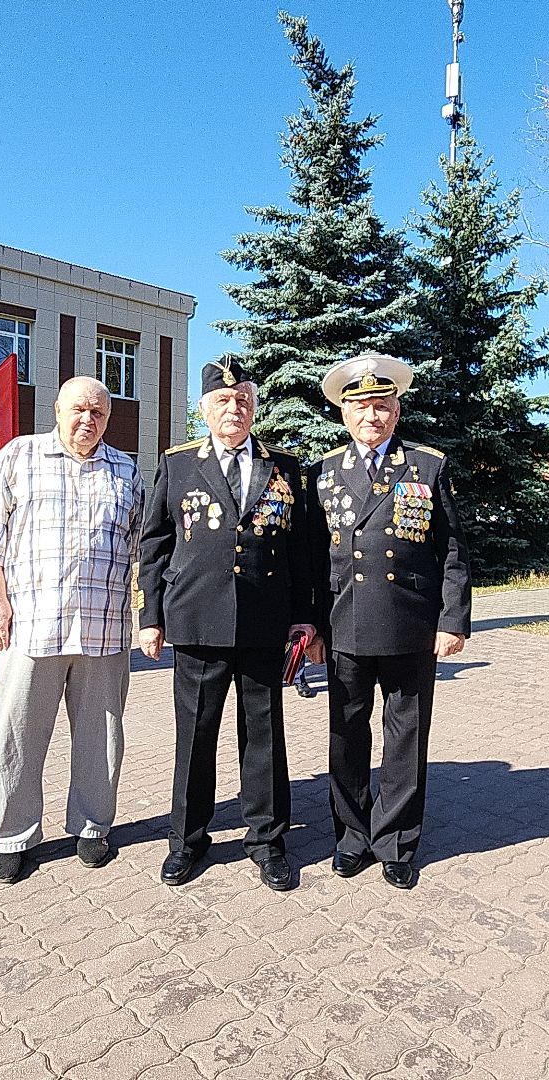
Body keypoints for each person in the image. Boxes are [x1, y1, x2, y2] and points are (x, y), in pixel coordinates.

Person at [0, 377, 143, 884]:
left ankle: (93, 826)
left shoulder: (127, 471)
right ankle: (14, 836)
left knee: (103, 738)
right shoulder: (19, 457)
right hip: (29, 628)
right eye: (79, 409)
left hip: (104, 629)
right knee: (17, 735)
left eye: (99, 412)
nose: (89, 420)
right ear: (57, 410)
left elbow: (147, 550)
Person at [137, 358, 320, 892]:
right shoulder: (176, 466)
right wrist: (151, 616)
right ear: (204, 409)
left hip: (265, 624)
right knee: (194, 739)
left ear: (254, 407)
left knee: (263, 737)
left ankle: (267, 842)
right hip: (195, 622)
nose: (234, 408)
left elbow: (303, 549)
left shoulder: (284, 467)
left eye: (243, 399)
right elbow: (154, 545)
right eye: (223, 400)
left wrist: (305, 616)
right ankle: (187, 843)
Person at [312, 353, 471, 890]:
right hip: (345, 623)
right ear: (344, 415)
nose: (371, 416)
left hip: (410, 623)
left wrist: (452, 621)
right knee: (347, 735)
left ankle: (397, 840)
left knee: (407, 735)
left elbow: (451, 550)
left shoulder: (427, 466)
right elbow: (313, 561)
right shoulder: (326, 472)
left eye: (381, 405)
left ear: (396, 411)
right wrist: (309, 627)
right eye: (360, 407)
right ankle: (352, 837)